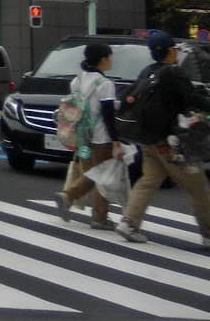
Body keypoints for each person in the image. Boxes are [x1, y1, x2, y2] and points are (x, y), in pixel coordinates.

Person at [118, 30, 210, 244]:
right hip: (170, 142)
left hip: (148, 139)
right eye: (174, 48)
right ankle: (208, 233)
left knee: (149, 180)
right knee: (199, 185)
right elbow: (191, 99)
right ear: (170, 50)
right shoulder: (173, 73)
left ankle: (128, 223)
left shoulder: (147, 72)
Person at [55, 43, 125, 229]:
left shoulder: (77, 80)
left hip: (82, 136)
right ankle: (92, 213)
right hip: (101, 138)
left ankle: (94, 213)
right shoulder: (105, 84)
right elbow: (108, 115)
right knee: (101, 176)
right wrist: (116, 141)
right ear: (102, 59)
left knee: (91, 173)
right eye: (109, 57)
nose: (111, 61)